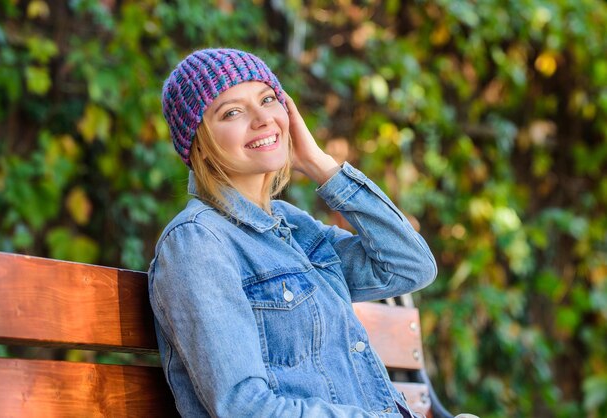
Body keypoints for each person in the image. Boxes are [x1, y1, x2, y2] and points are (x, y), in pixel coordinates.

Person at [148, 48, 438, 418]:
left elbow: (411, 267)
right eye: (232, 112)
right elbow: (243, 408)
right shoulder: (197, 242)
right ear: (199, 145)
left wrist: (320, 164)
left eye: (268, 100)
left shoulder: (293, 228)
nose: (261, 119)